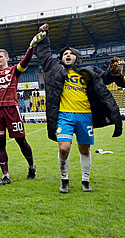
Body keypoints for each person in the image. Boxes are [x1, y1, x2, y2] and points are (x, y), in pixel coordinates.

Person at [34, 23, 123, 193]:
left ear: (76, 57)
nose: (68, 55)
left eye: (71, 53)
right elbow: (44, 55)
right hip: (64, 115)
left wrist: (115, 72)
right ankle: (64, 179)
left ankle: (85, 181)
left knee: (84, 149)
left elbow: (105, 78)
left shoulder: (88, 71)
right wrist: (44, 35)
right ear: (61, 58)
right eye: (65, 54)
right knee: (64, 148)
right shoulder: (54, 69)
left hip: (85, 115)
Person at [0, 38, 37, 185]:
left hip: (11, 109)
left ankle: (31, 166)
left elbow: (26, 61)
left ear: (7, 58)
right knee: (0, 144)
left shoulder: (14, 70)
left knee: (21, 141)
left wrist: (32, 46)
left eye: (0, 57)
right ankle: (5, 175)